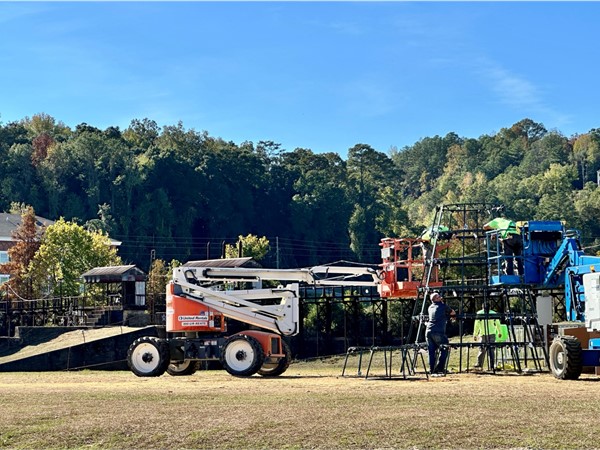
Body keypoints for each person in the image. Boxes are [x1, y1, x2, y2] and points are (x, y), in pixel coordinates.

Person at [425, 292, 455, 375]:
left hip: (428, 330)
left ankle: (432, 369)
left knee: (431, 352)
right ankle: (440, 368)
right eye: (439, 296)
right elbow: (452, 312)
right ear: (436, 299)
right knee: (445, 348)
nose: (441, 297)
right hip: (438, 331)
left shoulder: (430, 307)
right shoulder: (442, 305)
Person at [473, 305, 503, 370]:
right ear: (490, 307)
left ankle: (479, 365)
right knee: (491, 350)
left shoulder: (479, 313)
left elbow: (476, 325)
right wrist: (499, 332)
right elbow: (498, 323)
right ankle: (491, 366)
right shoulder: (493, 313)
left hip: (483, 334)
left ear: (482, 307)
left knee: (482, 349)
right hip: (492, 334)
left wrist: (475, 334)